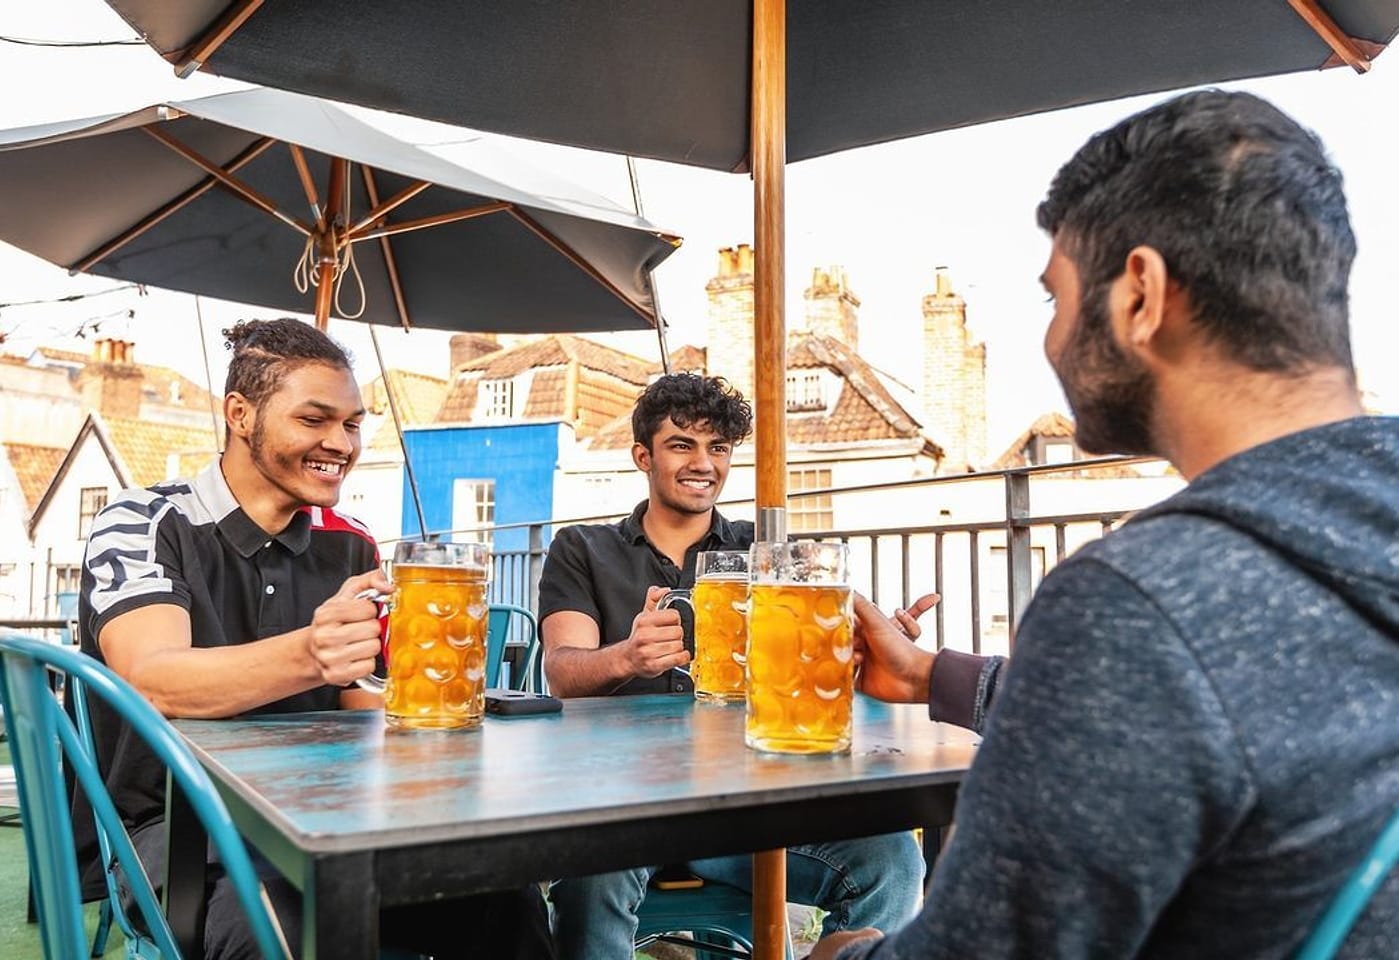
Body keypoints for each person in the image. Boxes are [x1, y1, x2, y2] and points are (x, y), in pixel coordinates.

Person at [808, 90, 1399, 960]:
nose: (1049, 340)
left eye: (1054, 297)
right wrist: (936, 674)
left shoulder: (1140, 601)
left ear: (1140, 297)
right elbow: (1238, 706)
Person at [76, 318, 555, 960]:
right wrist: (309, 653)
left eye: (353, 424)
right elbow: (153, 680)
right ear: (240, 414)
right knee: (291, 930)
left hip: (329, 818)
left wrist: (430, 700)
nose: (341, 443)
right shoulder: (141, 522)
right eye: (314, 419)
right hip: (180, 828)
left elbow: (357, 697)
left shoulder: (351, 542)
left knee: (506, 895)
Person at [538, 372, 925, 959]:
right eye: (682, 444)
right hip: (622, 805)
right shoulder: (583, 547)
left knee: (893, 857)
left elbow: (810, 661)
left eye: (718, 447)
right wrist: (627, 655)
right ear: (643, 455)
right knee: (591, 882)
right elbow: (562, 673)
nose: (704, 463)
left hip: (744, 807)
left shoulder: (764, 548)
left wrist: (867, 649)